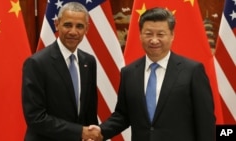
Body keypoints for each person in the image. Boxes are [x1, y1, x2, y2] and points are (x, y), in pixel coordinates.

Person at [89, 7, 216, 141]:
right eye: (148, 34)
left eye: (160, 34)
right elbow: (123, 115)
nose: (154, 40)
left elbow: (205, 120)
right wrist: (101, 131)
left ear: (172, 35)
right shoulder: (129, 72)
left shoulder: (192, 71)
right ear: (140, 35)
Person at [22, 2, 102, 141]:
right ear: (57, 24)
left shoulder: (88, 62)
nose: (73, 31)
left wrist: (91, 134)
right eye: (67, 25)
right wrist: (80, 132)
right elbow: (35, 118)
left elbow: (89, 112)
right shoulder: (36, 63)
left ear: (87, 29)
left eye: (79, 26)